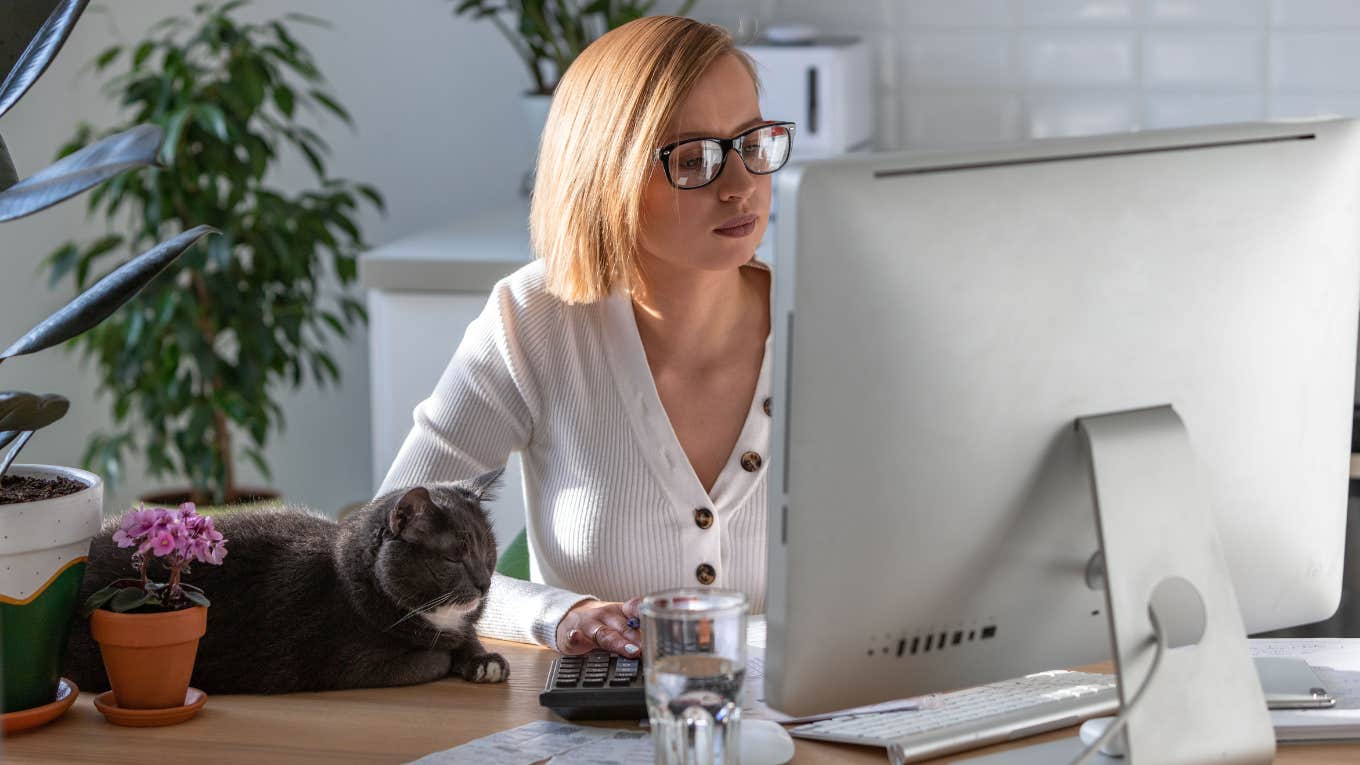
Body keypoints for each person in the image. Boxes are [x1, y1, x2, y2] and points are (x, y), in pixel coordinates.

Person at [377, 15, 795, 657]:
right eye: (693, 159)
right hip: (596, 737)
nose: (741, 187)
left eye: (752, 143)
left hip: (812, 726)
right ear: (608, 176)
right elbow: (387, 551)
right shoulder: (534, 319)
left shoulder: (830, 316)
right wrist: (560, 615)